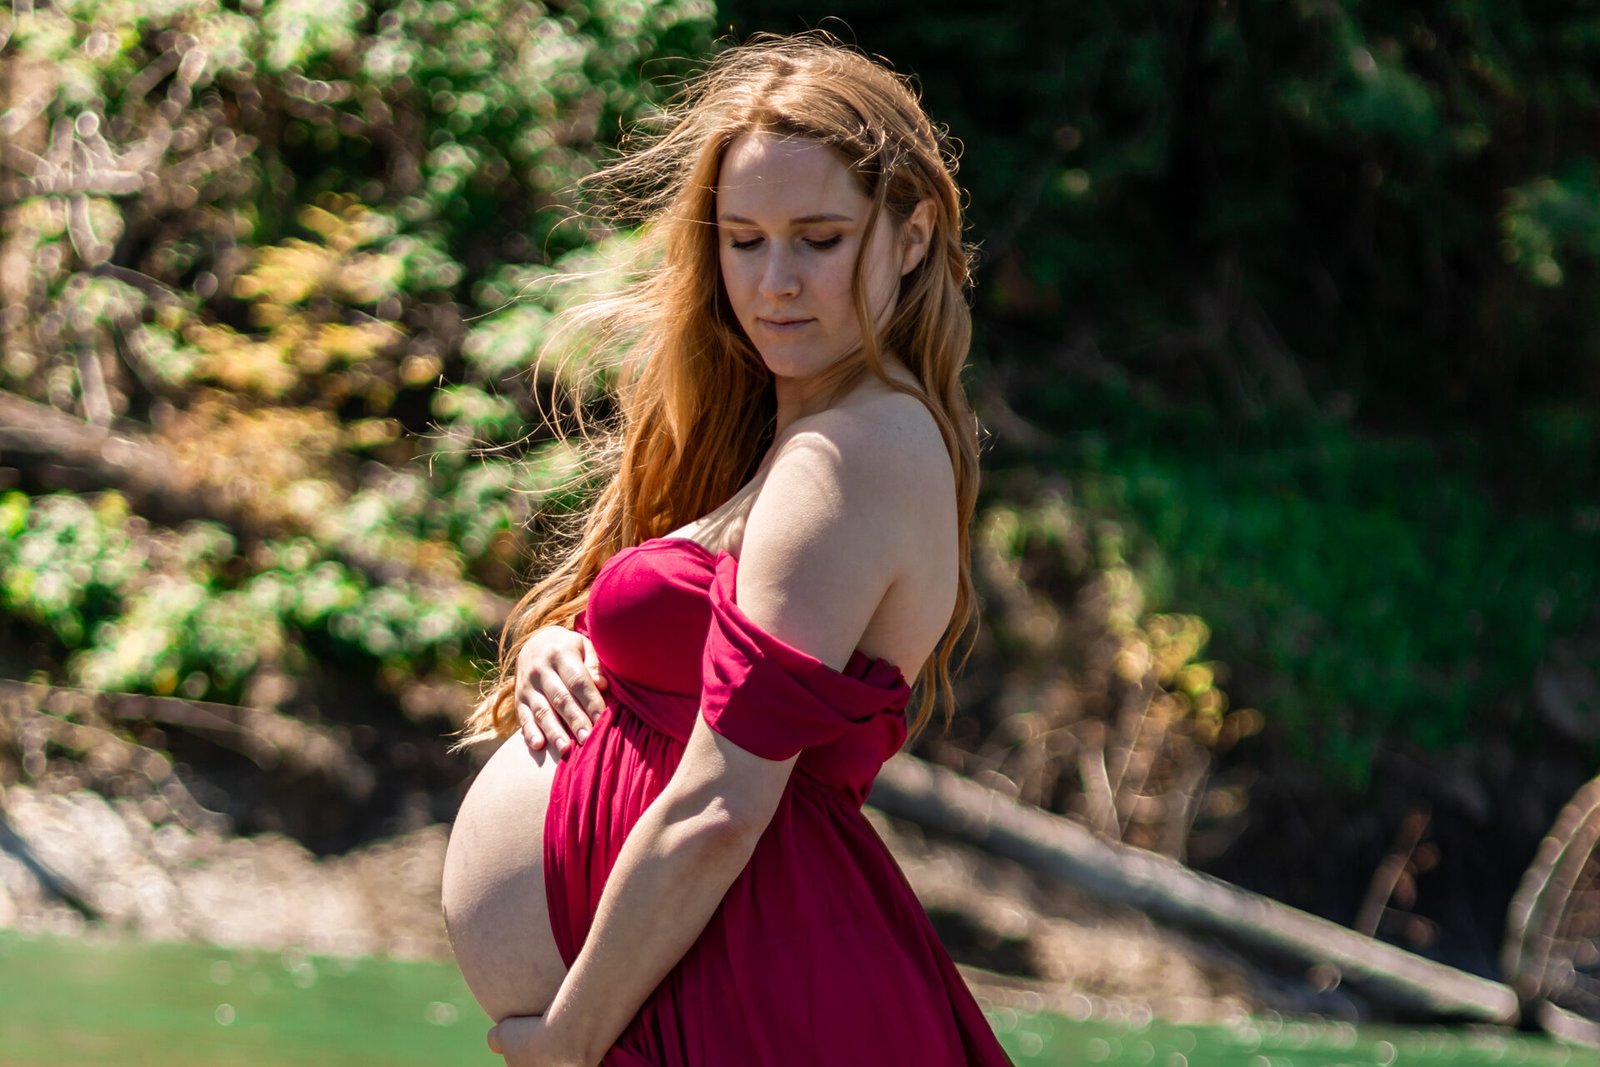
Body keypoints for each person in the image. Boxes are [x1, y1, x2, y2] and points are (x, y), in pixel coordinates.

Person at [440, 33, 1013, 1066]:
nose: (776, 281)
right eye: (744, 240)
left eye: (820, 237)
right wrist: (569, 653)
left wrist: (571, 1037)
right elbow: (699, 673)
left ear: (914, 234)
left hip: (746, 989)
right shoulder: (798, 439)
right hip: (712, 981)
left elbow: (717, 805)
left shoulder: (856, 448)